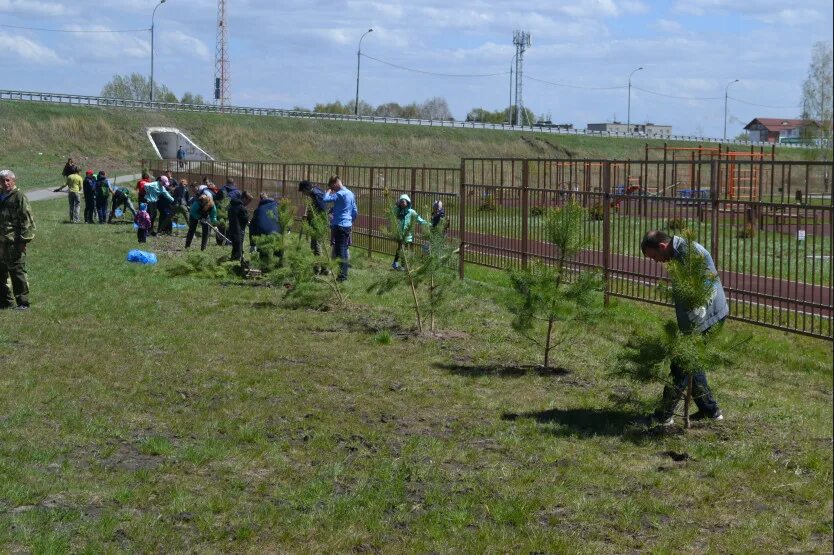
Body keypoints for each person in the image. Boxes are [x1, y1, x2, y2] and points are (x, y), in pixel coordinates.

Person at [640, 230, 728, 425]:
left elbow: (707, 281)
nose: (656, 262)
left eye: (654, 257)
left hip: (709, 317)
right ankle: (710, 411)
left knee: (680, 364)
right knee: (692, 364)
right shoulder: (676, 255)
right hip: (697, 320)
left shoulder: (690, 253)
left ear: (662, 246)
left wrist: (702, 304)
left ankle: (663, 416)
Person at [0, 170, 35, 310]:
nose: (5, 183)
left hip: (13, 241)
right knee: (1, 272)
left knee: (17, 271)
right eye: (2, 180)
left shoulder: (19, 197)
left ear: (14, 181)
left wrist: (23, 241)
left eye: (8, 180)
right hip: (0, 242)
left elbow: (27, 220)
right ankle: (5, 301)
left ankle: (23, 302)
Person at [321, 175, 357, 281]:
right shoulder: (350, 193)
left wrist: (328, 191)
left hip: (339, 225)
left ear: (336, 183)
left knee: (341, 251)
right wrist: (350, 221)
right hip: (347, 225)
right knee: (344, 250)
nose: (333, 189)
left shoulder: (340, 194)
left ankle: (342, 276)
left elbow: (325, 199)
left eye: (332, 187)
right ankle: (343, 275)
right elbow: (355, 210)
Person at [392, 193, 427, 270]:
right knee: (401, 249)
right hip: (400, 235)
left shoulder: (411, 212)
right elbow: (393, 213)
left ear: (407, 202)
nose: (402, 203)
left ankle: (401, 265)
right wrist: (396, 206)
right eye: (400, 202)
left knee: (405, 250)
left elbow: (419, 219)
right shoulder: (398, 211)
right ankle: (398, 264)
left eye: (403, 201)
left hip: (408, 235)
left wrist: (427, 224)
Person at [298, 180, 328, 256]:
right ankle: (318, 265)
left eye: (303, 191)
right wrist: (308, 216)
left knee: (317, 245)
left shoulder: (316, 195)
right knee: (314, 245)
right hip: (316, 222)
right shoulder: (314, 193)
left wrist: (309, 216)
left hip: (319, 223)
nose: (303, 194)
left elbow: (321, 210)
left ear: (306, 189)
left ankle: (320, 266)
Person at [227, 190, 253, 261]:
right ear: (244, 198)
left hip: (231, 229)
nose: (248, 204)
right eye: (248, 201)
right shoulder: (241, 208)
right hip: (238, 230)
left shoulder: (232, 205)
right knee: (238, 246)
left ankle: (233, 258)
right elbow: (246, 220)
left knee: (235, 246)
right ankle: (236, 262)